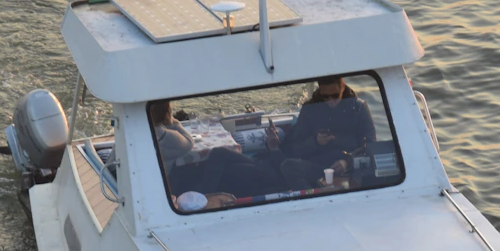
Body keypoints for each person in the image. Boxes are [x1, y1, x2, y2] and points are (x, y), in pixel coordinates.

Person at [149, 100, 279, 209]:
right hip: (170, 179)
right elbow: (189, 142)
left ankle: (206, 195)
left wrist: (273, 149)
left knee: (222, 163)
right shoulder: (163, 135)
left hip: (268, 169)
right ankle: (207, 194)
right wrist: (171, 121)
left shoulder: (152, 131)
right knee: (218, 156)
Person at [278, 76, 374, 189]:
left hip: (351, 167)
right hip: (318, 165)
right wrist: (315, 142)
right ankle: (312, 200)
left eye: (334, 96)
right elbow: (296, 149)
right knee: (288, 166)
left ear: (342, 87)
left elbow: (370, 145)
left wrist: (348, 162)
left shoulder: (358, 107)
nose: (330, 100)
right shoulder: (309, 109)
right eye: (325, 97)